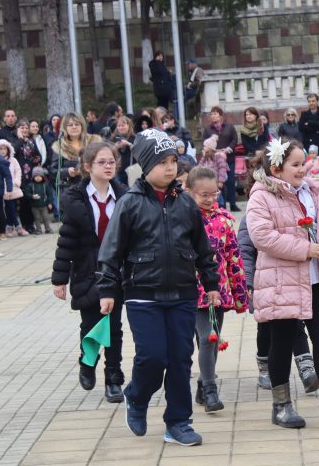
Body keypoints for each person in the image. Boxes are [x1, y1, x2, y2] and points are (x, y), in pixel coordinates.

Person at [97, 129, 221, 446]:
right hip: (142, 294)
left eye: (173, 161)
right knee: (152, 357)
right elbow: (110, 251)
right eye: (162, 162)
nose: (170, 168)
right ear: (145, 164)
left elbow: (203, 248)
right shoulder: (129, 203)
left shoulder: (186, 205)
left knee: (180, 358)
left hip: (182, 293)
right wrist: (108, 290)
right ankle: (136, 397)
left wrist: (211, 282)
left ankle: (178, 422)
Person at [246, 137, 319, 429]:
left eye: (303, 163)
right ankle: (281, 407)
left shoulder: (311, 193)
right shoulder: (262, 196)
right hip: (282, 282)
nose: (301, 169)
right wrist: (304, 249)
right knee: (281, 342)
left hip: (316, 280)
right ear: (277, 168)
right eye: (295, 164)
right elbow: (262, 236)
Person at [52, 143, 127, 403]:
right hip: (86, 270)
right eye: (102, 162)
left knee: (114, 327)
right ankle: (87, 362)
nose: (108, 166)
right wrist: (59, 279)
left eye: (112, 162)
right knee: (91, 324)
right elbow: (67, 241)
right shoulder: (77, 199)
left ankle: (114, 378)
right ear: (87, 166)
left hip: (116, 271)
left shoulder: (124, 196)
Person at [185, 166, 247, 413]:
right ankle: (210, 389)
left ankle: (203, 384)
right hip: (191, 288)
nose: (210, 199)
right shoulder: (185, 218)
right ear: (190, 192)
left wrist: (240, 290)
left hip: (217, 290)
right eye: (204, 195)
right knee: (207, 337)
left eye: (214, 194)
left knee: (211, 339)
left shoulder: (224, 220)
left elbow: (234, 256)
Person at [237, 208, 319, 394]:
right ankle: (264, 364)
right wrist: (247, 282)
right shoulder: (252, 215)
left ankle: (306, 368)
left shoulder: (295, 212)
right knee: (265, 328)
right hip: (265, 282)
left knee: (295, 323)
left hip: (291, 281)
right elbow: (245, 252)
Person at [50, 113, 102, 208]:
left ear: (82, 126)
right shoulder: (59, 146)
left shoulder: (94, 141)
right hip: (71, 190)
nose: (74, 127)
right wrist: (67, 172)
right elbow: (53, 172)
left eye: (77, 124)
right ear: (65, 127)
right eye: (70, 125)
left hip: (94, 188)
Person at [202, 106, 239, 212]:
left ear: (221, 115)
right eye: (211, 114)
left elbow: (234, 139)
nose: (213, 116)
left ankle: (233, 203)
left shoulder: (229, 127)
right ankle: (221, 205)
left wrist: (228, 149)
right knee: (218, 182)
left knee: (230, 181)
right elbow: (204, 141)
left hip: (229, 157)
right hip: (215, 159)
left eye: (215, 113)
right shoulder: (208, 129)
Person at [15, 120, 42, 233]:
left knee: (31, 200)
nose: (25, 130)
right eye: (22, 128)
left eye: (26, 128)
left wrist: (37, 159)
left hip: (31, 174)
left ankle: (31, 225)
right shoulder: (16, 141)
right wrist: (21, 139)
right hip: (20, 174)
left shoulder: (31, 141)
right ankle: (25, 224)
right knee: (23, 201)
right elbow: (14, 152)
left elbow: (37, 155)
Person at [0, 139, 27, 237]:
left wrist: (17, 181)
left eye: (4, 148)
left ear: (8, 149)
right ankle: (18, 226)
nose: (2, 151)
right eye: (0, 149)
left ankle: (9, 226)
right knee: (9, 207)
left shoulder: (13, 160)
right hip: (3, 188)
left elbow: (18, 171)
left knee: (12, 207)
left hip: (13, 187)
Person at [297, 93, 319, 159]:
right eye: (309, 101)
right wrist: (317, 123)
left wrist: (309, 123)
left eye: (313, 101)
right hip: (308, 144)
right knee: (309, 166)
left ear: (317, 101)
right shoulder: (304, 114)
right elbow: (301, 127)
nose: (311, 103)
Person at [26, 167, 54, 234]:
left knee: (45, 217)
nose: (38, 178)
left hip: (44, 205)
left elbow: (50, 194)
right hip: (34, 206)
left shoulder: (45, 185)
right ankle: (38, 229)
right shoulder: (30, 185)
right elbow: (26, 193)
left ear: (42, 177)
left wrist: (50, 203)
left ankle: (48, 228)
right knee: (37, 218)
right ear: (33, 177)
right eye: (36, 176)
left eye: (39, 176)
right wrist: (32, 196)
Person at [109, 116, 135, 185]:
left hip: (131, 168)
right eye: (119, 126)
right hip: (118, 169)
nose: (121, 128)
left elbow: (139, 150)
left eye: (123, 125)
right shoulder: (113, 138)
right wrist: (115, 147)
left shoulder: (134, 138)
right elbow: (107, 152)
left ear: (128, 126)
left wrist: (128, 144)